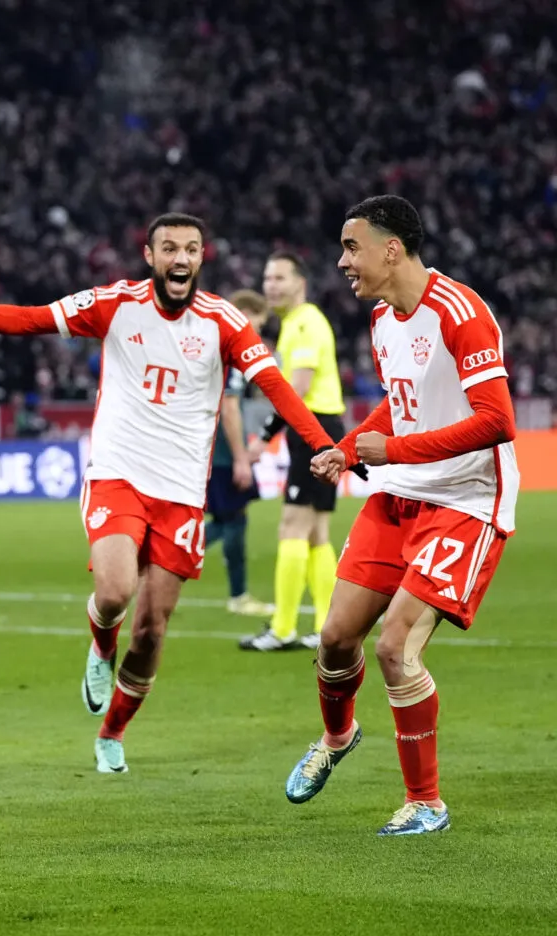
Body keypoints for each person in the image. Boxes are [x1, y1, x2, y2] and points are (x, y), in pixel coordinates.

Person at [0, 213, 337, 773]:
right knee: (117, 591)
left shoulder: (224, 321)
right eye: (168, 247)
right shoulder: (115, 304)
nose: (180, 257)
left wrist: (323, 444)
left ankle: (112, 732)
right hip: (118, 473)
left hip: (180, 492)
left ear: (202, 258)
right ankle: (100, 644)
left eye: (190, 249)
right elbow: (30, 320)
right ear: (149, 256)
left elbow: (276, 388)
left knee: (150, 633)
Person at [291, 195, 518, 835]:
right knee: (335, 639)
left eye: (351, 247)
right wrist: (346, 449)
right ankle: (338, 738)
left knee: (394, 647)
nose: (342, 261)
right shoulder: (385, 319)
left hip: (465, 502)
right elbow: (401, 402)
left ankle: (427, 802)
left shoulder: (462, 313)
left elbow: (498, 421)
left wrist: (392, 451)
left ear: (392, 248)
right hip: (400, 493)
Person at [240, 253, 348, 651]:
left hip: (313, 428)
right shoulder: (296, 324)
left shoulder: (303, 323)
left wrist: (262, 438)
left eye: (279, 277)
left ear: (299, 282)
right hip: (323, 428)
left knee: (292, 527)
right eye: (267, 277)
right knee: (317, 533)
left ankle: (283, 628)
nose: (270, 285)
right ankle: (326, 626)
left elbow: (296, 391)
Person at [204, 290, 273, 617]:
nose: (255, 335)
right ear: (243, 314)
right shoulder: (231, 350)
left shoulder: (211, 345)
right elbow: (228, 407)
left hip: (208, 447)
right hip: (223, 452)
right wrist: (241, 457)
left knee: (225, 519)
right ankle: (238, 595)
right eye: (255, 325)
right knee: (233, 520)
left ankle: (160, 561)